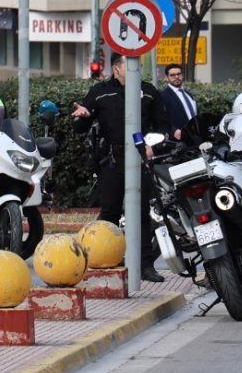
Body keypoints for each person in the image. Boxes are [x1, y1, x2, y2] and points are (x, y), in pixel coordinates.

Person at [70, 52, 169, 283]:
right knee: (110, 214)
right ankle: (109, 263)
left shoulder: (148, 91)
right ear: (116, 69)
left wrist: (153, 144)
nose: (138, 68)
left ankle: (146, 265)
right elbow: (79, 126)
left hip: (140, 158)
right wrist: (83, 116)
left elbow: (163, 125)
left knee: (143, 214)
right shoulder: (100, 92)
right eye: (131, 64)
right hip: (112, 160)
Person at [159, 63, 198, 141]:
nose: (176, 77)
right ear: (166, 78)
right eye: (172, 75)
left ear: (182, 76)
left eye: (178, 74)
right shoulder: (162, 96)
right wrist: (173, 131)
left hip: (195, 138)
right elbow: (160, 119)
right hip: (178, 141)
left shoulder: (189, 95)